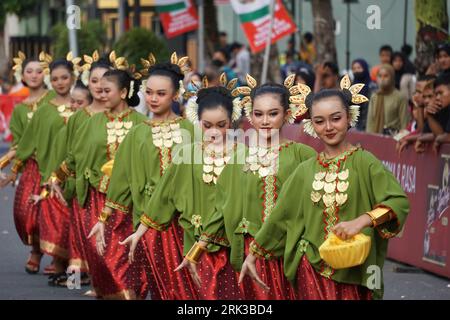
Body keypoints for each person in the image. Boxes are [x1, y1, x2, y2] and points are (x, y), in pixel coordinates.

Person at [239, 75, 410, 300]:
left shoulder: (365, 162)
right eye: (319, 121)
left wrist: (361, 221)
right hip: (311, 269)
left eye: (335, 118)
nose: (328, 127)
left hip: (355, 270)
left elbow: (397, 201)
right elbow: (282, 215)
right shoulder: (306, 169)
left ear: (349, 117)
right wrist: (253, 255)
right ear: (311, 124)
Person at [178, 75, 316, 300]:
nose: (265, 121)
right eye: (258, 114)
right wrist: (196, 250)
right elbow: (222, 208)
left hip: (291, 251)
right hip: (252, 252)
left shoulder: (303, 155)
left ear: (287, 114)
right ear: (250, 116)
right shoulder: (239, 157)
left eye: (273, 113)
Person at [121, 78, 245, 300]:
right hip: (193, 237)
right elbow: (164, 196)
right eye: (207, 126)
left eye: (221, 125)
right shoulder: (186, 155)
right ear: (198, 122)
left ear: (232, 121)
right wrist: (139, 232)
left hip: (232, 241)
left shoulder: (243, 155)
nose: (214, 132)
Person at [89, 54, 197, 300]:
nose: (153, 99)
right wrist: (104, 218)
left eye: (161, 93)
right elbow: (122, 180)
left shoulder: (189, 130)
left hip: (183, 221)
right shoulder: (137, 133)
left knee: (185, 286)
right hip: (147, 220)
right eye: (149, 92)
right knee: (158, 283)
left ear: (175, 95)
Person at [66, 55, 149, 299]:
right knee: (99, 251)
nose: (100, 95)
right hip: (97, 196)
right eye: (98, 90)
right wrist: (60, 179)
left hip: (131, 201)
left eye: (106, 91)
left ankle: (128, 292)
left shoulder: (141, 123)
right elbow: (76, 157)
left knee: (126, 251)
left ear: (123, 93)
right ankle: (109, 289)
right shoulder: (91, 122)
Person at [47, 54, 112, 294]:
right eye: (94, 81)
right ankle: (96, 281)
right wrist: (57, 178)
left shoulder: (125, 118)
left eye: (105, 81)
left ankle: (114, 283)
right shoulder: (78, 118)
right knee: (87, 237)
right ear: (88, 82)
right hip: (84, 188)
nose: (99, 86)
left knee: (113, 239)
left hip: (115, 190)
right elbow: (70, 154)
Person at [0, 51, 55, 275]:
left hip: (53, 162)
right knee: (26, 212)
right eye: (29, 71)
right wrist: (11, 167)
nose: (34, 75)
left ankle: (51, 255)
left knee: (52, 211)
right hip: (31, 166)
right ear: (21, 75)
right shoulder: (21, 108)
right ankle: (35, 249)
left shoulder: (54, 100)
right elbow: (19, 143)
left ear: (46, 74)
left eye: (39, 71)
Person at [366, 64, 409, 135]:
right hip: (376, 137)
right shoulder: (375, 96)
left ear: (392, 77)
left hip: (394, 138)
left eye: (386, 76)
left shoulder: (400, 97)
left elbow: (405, 124)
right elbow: (370, 122)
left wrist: (399, 140)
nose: (382, 79)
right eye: (380, 76)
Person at [351, 58, 377, 131]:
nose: (356, 71)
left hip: (370, 124)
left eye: (359, 68)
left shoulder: (373, 87)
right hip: (354, 127)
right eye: (354, 69)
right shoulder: (351, 88)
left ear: (365, 68)